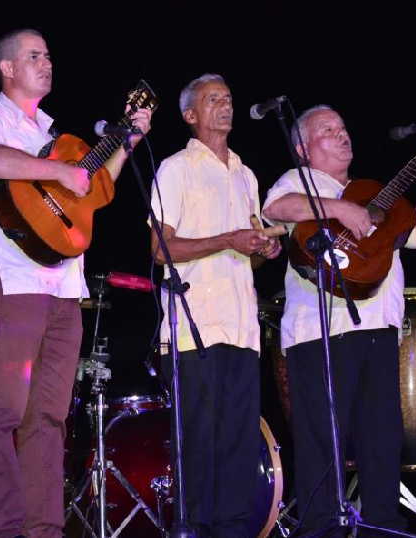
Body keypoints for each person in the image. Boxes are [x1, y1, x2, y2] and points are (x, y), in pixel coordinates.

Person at [0, 28, 152, 538]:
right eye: (34, 55)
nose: (47, 62)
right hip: (15, 282)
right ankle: (3, 528)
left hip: (66, 291)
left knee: (48, 417)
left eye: (48, 55)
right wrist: (55, 171)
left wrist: (127, 141)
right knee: (2, 410)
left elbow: (96, 190)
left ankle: (44, 529)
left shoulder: (60, 137)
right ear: (7, 68)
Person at [262, 105, 416, 534]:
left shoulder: (369, 191)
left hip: (379, 326)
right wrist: (342, 211)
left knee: (382, 439)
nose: (342, 135)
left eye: (344, 128)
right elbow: (277, 206)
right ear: (302, 148)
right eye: (328, 131)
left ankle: (381, 524)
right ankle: (321, 528)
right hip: (322, 332)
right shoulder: (299, 181)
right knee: (322, 442)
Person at [149, 73, 281, 537]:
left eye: (228, 98)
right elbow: (159, 248)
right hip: (194, 328)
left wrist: (263, 249)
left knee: (238, 444)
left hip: (242, 327)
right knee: (199, 444)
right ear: (190, 115)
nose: (224, 106)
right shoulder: (175, 168)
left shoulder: (246, 174)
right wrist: (229, 239)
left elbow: (248, 246)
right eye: (212, 100)